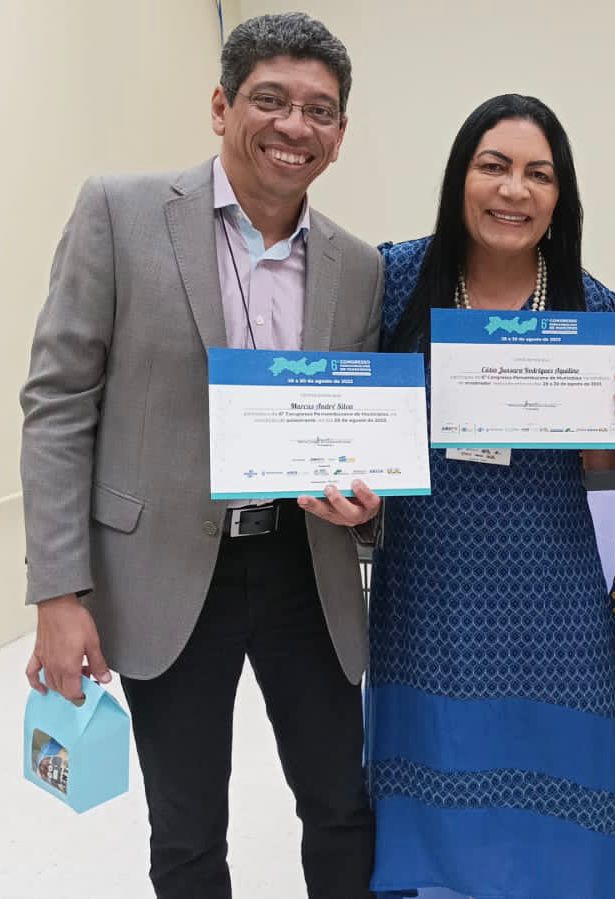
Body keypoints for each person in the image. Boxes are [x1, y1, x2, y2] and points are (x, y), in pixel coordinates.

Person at [20, 13, 383, 899]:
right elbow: (58, 402)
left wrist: (368, 508)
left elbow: (355, 425)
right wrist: (59, 594)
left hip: (308, 567)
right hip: (166, 565)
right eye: (270, 100)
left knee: (340, 803)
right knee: (186, 828)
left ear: (340, 135)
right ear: (221, 106)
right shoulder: (121, 210)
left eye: (320, 110)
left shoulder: (358, 265)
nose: (294, 126)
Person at [365, 93, 615, 899]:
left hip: (550, 580)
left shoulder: (591, 305)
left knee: (564, 780)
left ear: (560, 197)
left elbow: (598, 471)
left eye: (538, 174)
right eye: (494, 166)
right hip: (429, 574)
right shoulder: (393, 280)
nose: (513, 190)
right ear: (461, 177)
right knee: (429, 771)